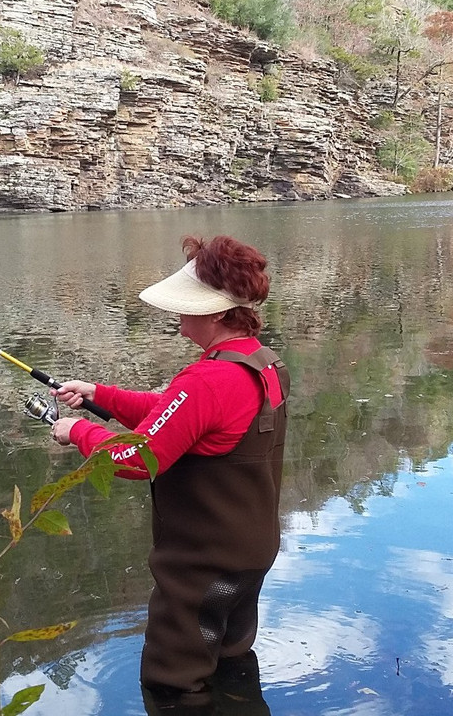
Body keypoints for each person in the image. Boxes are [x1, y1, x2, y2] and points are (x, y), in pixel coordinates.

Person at [50, 234, 289, 709]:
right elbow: (176, 415)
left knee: (171, 685)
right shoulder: (262, 363)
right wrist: (100, 394)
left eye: (187, 307)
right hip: (251, 553)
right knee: (230, 661)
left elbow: (140, 459)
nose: (178, 318)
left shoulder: (206, 380)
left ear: (219, 312)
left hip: (200, 567)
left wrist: (77, 431)